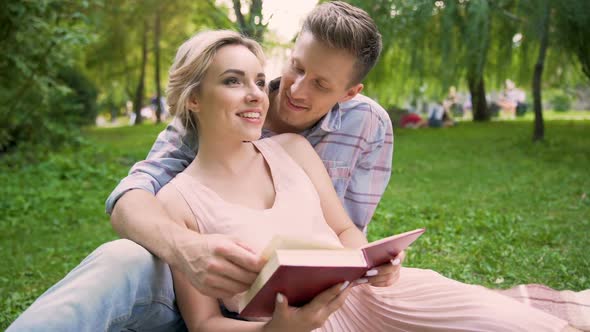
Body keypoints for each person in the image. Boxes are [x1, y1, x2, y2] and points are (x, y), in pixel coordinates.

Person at [153, 30, 576, 331]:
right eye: (233, 81)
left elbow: (343, 229)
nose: (257, 94)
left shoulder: (292, 150)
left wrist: (373, 262)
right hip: (294, 327)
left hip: (376, 299)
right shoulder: (175, 203)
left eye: (260, 82)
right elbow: (204, 322)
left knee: (517, 324)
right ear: (193, 98)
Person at [7, 2, 394, 331]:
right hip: (201, 290)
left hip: (305, 304)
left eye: (321, 85)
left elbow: (349, 232)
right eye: (295, 67)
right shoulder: (199, 123)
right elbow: (129, 197)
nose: (295, 90)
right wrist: (187, 249)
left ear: (348, 93)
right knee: (121, 258)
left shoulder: (367, 127)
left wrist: (373, 263)